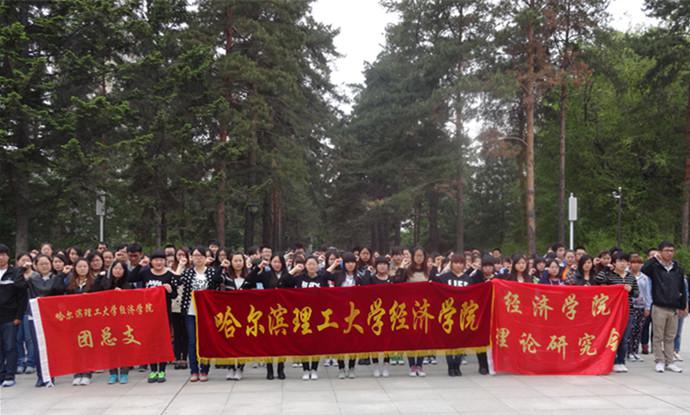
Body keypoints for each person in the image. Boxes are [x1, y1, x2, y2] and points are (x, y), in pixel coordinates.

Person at [128, 250, 177, 383]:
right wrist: (139, 265)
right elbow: (131, 278)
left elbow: (174, 295)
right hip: (148, 313)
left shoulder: (169, 275)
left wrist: (170, 290)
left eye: (161, 260)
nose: (158, 262)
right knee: (150, 342)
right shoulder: (145, 273)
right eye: (156, 260)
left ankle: (162, 370)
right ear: (151, 261)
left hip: (164, 314)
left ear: (165, 261)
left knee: (163, 342)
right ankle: (153, 370)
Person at [178, 246, 223, 382]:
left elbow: (218, 283)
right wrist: (180, 266)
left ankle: (204, 370)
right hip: (190, 311)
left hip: (206, 312)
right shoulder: (188, 272)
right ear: (191, 258)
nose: (198, 258)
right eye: (195, 256)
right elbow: (175, 281)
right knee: (192, 341)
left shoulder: (211, 271)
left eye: (200, 256)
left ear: (205, 258)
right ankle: (194, 370)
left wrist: (221, 267)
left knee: (205, 340)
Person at [642, 241, 687, 373]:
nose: (669, 253)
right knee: (658, 336)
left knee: (670, 336)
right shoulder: (655, 267)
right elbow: (644, 269)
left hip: (673, 307)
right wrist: (654, 259)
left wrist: (683, 305)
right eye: (666, 250)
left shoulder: (677, 268)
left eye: (671, 251)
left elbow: (682, 287)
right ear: (661, 252)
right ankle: (659, 360)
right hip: (659, 306)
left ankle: (670, 361)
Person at [595, 252, 638, 373]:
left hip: (628, 311)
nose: (623, 264)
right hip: (612, 313)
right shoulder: (609, 275)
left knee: (624, 337)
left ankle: (620, 361)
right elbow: (597, 280)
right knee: (610, 336)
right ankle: (609, 360)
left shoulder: (630, 277)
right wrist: (605, 269)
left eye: (625, 261)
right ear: (614, 263)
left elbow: (637, 293)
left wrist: (630, 290)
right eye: (620, 261)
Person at [0, 244, 28, 388]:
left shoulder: (15, 273)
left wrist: (18, 316)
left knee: (10, 346)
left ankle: (10, 375)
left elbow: (22, 297)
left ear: (8, 256)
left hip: (10, 317)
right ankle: (1, 374)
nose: (0, 257)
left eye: (3, 254)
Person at [101, 261, 133, 384]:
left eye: (120, 268)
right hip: (108, 320)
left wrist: (123, 294)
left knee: (125, 346)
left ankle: (124, 373)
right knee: (111, 346)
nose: (118, 270)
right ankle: (113, 373)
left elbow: (133, 301)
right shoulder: (105, 283)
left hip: (124, 320)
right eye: (115, 268)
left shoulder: (128, 284)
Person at [628, 254, 651, 362]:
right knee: (630, 330)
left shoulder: (645, 278)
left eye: (639, 263)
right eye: (634, 262)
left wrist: (647, 307)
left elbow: (647, 293)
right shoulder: (627, 276)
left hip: (641, 306)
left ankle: (635, 351)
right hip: (630, 306)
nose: (636, 265)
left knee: (639, 329)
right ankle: (628, 352)